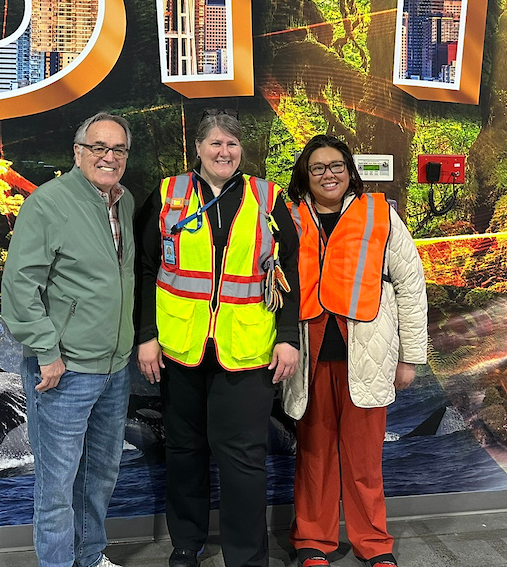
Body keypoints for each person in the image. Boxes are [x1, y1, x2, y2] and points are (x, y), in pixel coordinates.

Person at [135, 109, 300, 567]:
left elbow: (294, 271)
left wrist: (288, 338)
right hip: (179, 349)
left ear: (241, 151)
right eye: (215, 143)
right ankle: (186, 545)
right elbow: (146, 269)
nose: (224, 152)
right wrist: (146, 335)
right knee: (184, 450)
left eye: (232, 144)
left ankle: (246, 558)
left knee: (244, 459)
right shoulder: (168, 195)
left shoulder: (268, 199)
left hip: (246, 351)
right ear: (199, 149)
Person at [281, 135, 428, 567]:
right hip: (307, 356)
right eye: (318, 168)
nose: (329, 175)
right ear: (304, 177)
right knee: (313, 457)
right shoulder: (286, 218)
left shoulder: (380, 214)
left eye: (337, 166)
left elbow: (411, 286)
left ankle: (375, 545)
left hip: (368, 357)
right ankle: (312, 542)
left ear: (350, 170)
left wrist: (410, 357)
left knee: (365, 461)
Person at [2, 112, 136, 567]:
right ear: (78, 152)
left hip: (114, 369)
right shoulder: (48, 203)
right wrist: (46, 352)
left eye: (118, 149)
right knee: (57, 486)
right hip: (65, 370)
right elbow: (20, 285)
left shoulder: (125, 201)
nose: (109, 157)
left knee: (100, 475)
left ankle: (91, 556)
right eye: (98, 147)